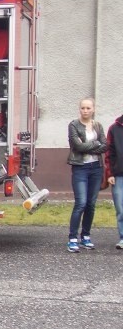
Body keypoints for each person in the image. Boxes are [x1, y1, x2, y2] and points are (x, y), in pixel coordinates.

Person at [67, 97, 107, 253]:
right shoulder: (74, 125)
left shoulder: (98, 125)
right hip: (80, 168)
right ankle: (72, 238)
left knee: (91, 204)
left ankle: (86, 236)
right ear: (80, 109)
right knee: (81, 203)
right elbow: (77, 146)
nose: (85, 111)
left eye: (88, 108)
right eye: (83, 108)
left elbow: (105, 145)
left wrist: (89, 147)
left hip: (96, 168)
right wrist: (95, 144)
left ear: (93, 109)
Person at [105, 113, 123, 249]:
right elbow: (109, 153)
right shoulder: (114, 129)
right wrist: (109, 173)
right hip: (118, 175)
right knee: (120, 208)